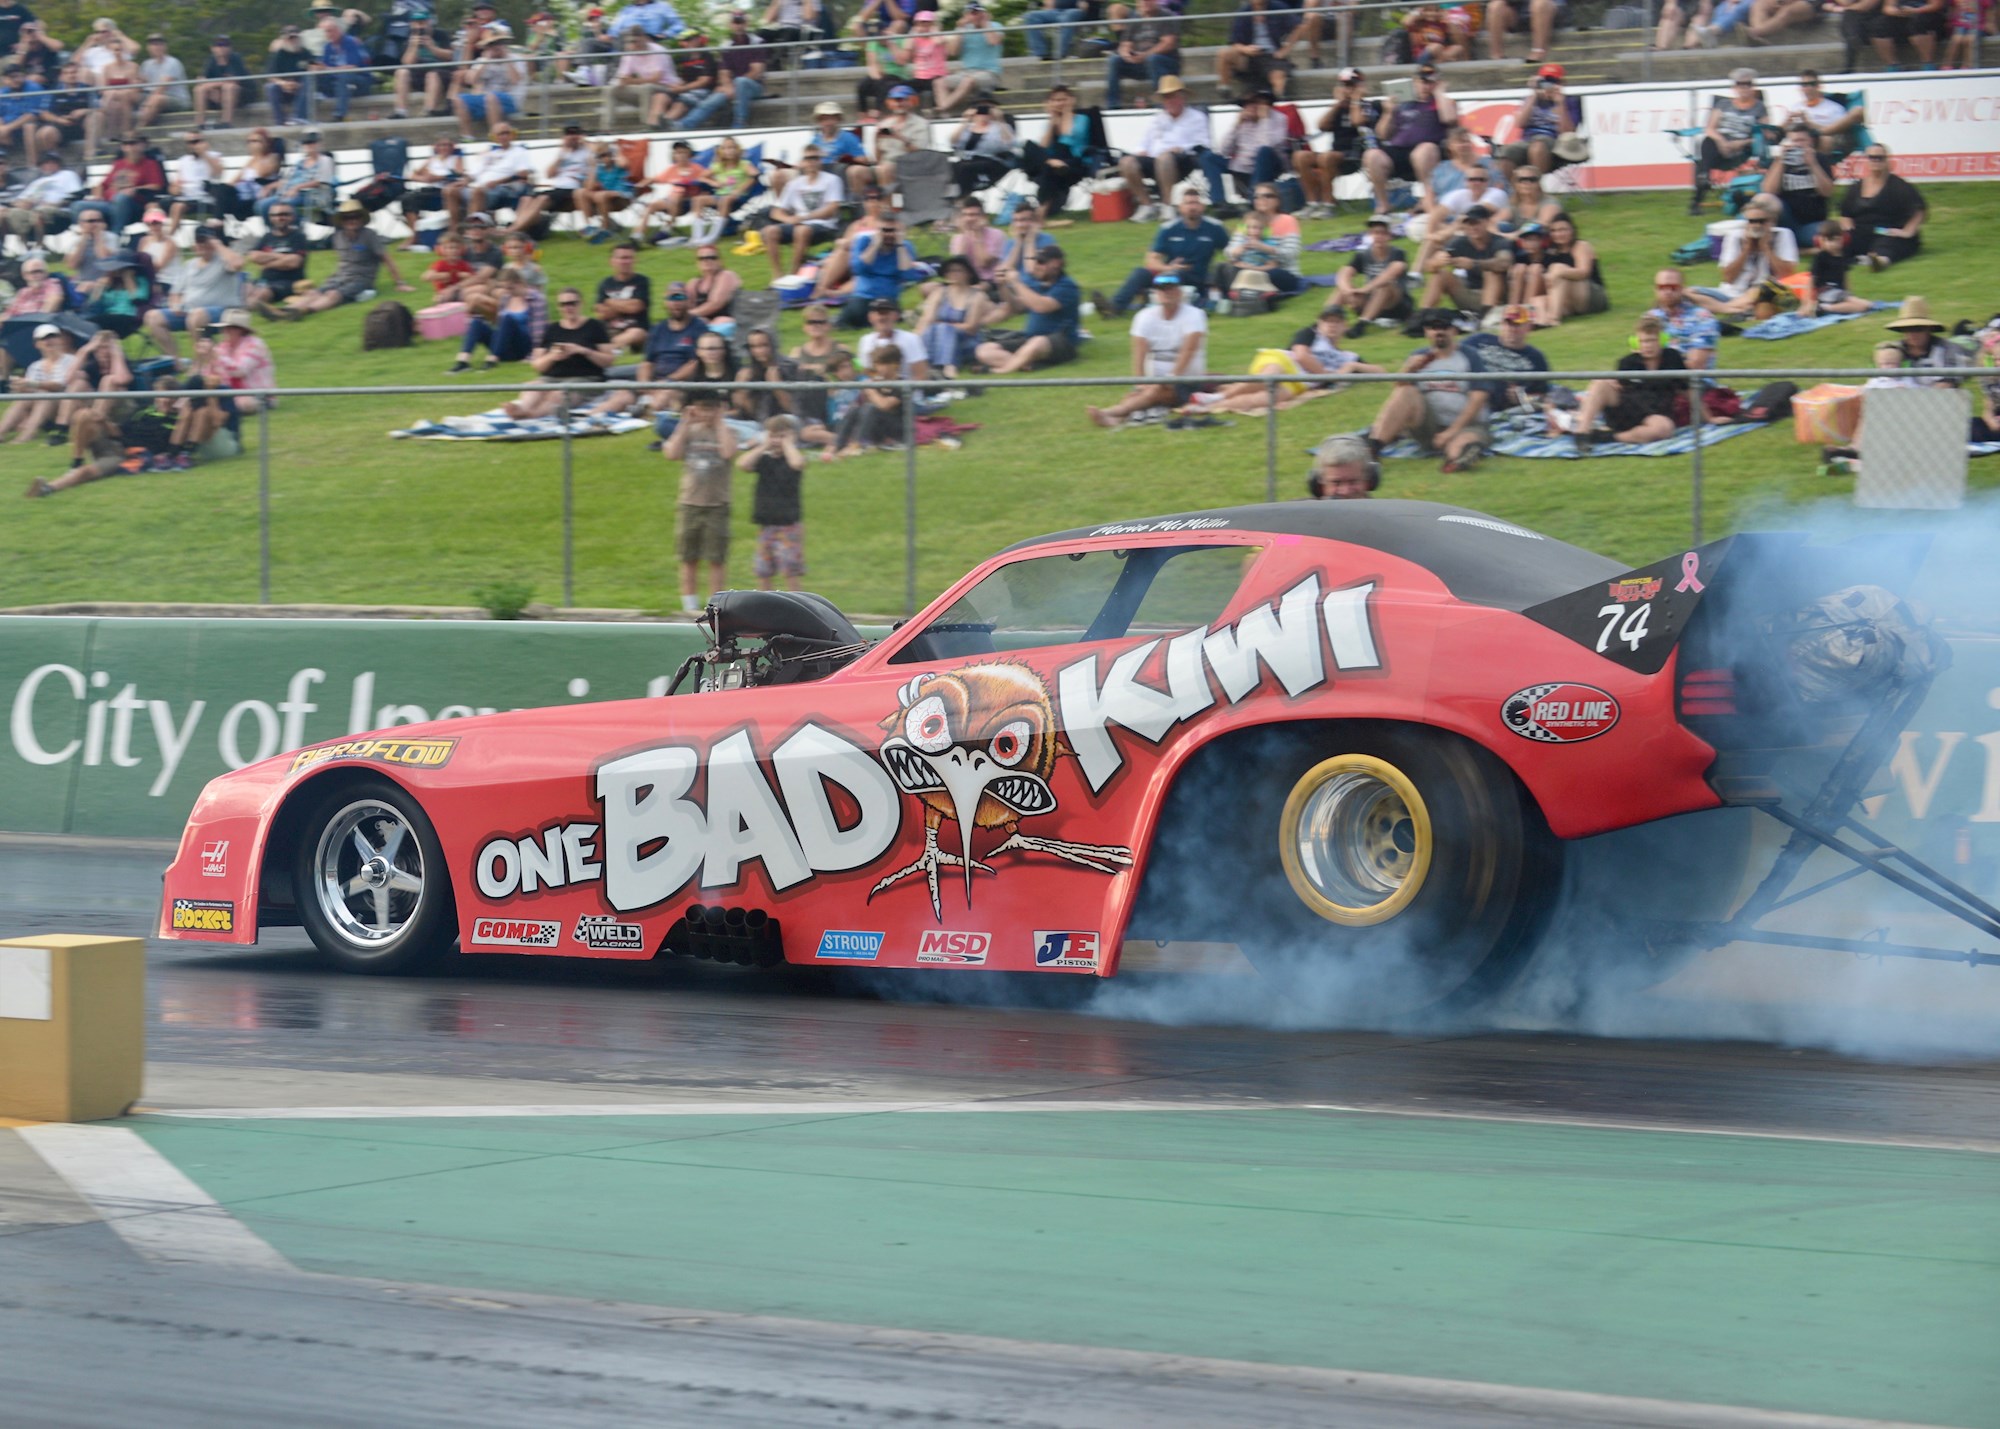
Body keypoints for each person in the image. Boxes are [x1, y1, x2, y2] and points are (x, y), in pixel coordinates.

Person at [1195, 304, 1381, 418]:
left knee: (1267, 399)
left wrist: (1354, 365)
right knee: (1270, 377)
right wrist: (1329, 376)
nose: (1332, 325)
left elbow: (1382, 373)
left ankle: (1211, 407)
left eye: (1337, 321)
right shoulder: (1310, 334)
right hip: (1283, 362)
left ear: (1345, 326)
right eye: (1327, 321)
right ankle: (1218, 396)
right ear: (1319, 324)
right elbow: (1300, 355)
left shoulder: (1347, 357)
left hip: (1301, 381)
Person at [1366, 308, 1489, 473]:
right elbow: (1398, 394)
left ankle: (1457, 459)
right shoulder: (1419, 356)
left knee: (1464, 440)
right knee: (1406, 391)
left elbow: (1478, 398)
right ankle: (1373, 449)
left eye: (1443, 327)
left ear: (1453, 330)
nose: (1438, 332)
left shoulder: (1470, 356)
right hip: (1429, 425)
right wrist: (1408, 369)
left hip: (1465, 424)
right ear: (1426, 331)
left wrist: (1451, 431)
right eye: (1432, 327)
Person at [1089, 273, 1207, 430]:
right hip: (1153, 379)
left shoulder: (1194, 315)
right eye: (1162, 290)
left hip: (1185, 381)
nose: (1166, 293)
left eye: (1170, 289)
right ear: (1156, 294)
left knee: (1155, 390)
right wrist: (1140, 381)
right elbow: (1139, 353)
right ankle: (1116, 417)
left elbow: (1189, 350)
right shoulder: (1144, 317)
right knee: (1143, 393)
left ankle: (1112, 412)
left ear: (1179, 292)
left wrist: (1171, 378)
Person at [1095, 189, 1230, 318]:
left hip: (1199, 276)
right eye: (1188, 203)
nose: (1192, 207)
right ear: (1180, 207)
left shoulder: (1215, 228)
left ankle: (1162, 305)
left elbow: (1230, 250)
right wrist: (1169, 268)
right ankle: (1114, 309)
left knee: (1173, 276)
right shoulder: (1168, 228)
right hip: (1170, 273)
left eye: (1196, 203)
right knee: (1140, 273)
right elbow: (1151, 260)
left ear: (1203, 206)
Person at [1569, 315, 1687, 451]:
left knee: (1663, 429)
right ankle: (1582, 433)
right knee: (1600, 383)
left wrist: (1707, 418)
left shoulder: (1673, 358)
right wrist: (1605, 384)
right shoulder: (1627, 362)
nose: (1646, 346)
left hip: (1656, 412)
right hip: (1627, 409)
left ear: (1661, 340)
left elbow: (1687, 388)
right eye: (1642, 341)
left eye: (1651, 341)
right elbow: (1616, 386)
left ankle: (1609, 437)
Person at [666, 391, 738, 612]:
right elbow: (671, 453)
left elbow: (728, 453)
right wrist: (684, 423)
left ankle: (714, 607)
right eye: (702, 409)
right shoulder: (689, 432)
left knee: (716, 558)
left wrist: (719, 423)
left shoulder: (727, 432)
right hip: (690, 503)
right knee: (689, 557)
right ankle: (689, 607)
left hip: (717, 504)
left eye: (711, 409)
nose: (707, 414)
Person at [281, 198, 413, 316]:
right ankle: (285, 311)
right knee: (314, 293)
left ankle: (305, 311)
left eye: (356, 217)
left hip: (361, 279)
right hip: (339, 277)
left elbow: (386, 259)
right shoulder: (337, 237)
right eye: (348, 218)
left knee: (333, 294)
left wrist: (400, 283)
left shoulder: (370, 235)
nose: (352, 220)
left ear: (362, 219)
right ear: (342, 221)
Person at [499, 288, 612, 415]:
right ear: (559, 307)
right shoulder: (552, 329)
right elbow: (537, 365)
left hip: (584, 378)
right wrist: (552, 356)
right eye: (563, 304)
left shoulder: (595, 326)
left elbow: (608, 360)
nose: (568, 308)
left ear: (581, 304)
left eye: (572, 303)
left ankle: (530, 415)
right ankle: (523, 409)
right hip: (552, 378)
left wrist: (583, 351)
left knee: (558, 394)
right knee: (532, 387)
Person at [142, 223, 245, 360]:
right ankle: (175, 361)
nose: (201, 245)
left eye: (205, 242)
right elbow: (175, 292)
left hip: (223, 312)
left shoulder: (223, 261)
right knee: (152, 317)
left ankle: (199, 363)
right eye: (198, 241)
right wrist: (175, 304)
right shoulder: (189, 265)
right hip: (189, 311)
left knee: (196, 316)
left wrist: (217, 244)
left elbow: (238, 263)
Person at [1117, 74, 1210, 225]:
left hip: (1182, 160)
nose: (1169, 101)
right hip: (1155, 159)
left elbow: (1204, 143)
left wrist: (1182, 148)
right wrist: (1141, 151)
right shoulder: (1158, 118)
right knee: (1126, 162)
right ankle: (1147, 205)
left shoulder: (1197, 117)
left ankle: (1167, 205)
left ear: (1182, 97)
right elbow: (1143, 142)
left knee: (1164, 158)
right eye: (1166, 98)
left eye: (1172, 96)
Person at [974, 245, 1080, 375]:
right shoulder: (1037, 285)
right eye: (1035, 261)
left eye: (1041, 262)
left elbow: (1041, 306)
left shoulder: (1067, 286)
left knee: (1037, 342)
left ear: (1056, 263)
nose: (1036, 265)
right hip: (1030, 339)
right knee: (984, 349)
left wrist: (1017, 283)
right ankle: (1026, 365)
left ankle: (1002, 370)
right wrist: (1002, 286)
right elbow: (1017, 307)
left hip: (1061, 343)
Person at [1366, 64, 1455, 218]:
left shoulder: (1441, 102)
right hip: (1399, 150)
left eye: (1431, 82)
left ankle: (1428, 200)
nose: (1426, 86)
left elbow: (1449, 119)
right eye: (1423, 82)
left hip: (1430, 151)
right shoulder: (1402, 103)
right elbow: (1382, 134)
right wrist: (1388, 113)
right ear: (1415, 82)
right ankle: (1383, 204)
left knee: (1424, 150)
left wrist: (1440, 92)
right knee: (1372, 155)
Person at [1294, 68, 1379, 220]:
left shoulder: (1369, 106)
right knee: (1300, 156)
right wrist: (1337, 104)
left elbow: (1357, 122)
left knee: (1326, 157)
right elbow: (1321, 126)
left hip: (1355, 155)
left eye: (1352, 85)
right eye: (1345, 86)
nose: (1348, 89)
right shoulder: (1339, 108)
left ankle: (1328, 205)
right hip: (1334, 154)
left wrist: (1355, 101)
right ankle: (1312, 203)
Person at [1691, 195, 1796, 319]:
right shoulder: (1735, 237)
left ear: (1771, 221)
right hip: (1731, 294)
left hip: (1763, 294)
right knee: (1687, 292)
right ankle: (1731, 309)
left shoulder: (1783, 235)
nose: (1756, 225)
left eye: (1761, 221)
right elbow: (1728, 278)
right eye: (1751, 221)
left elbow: (1787, 274)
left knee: (1759, 288)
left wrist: (1766, 248)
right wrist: (1746, 250)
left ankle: (1722, 308)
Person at [741, 414, 808, 591]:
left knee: (790, 570)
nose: (777, 440)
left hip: (788, 525)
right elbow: (743, 464)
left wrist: (788, 444)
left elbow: (797, 463)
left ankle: (797, 607)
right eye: (773, 435)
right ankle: (766, 608)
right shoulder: (764, 460)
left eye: (782, 436)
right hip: (767, 525)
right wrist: (763, 445)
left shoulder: (793, 458)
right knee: (763, 570)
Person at [761, 146, 844, 283]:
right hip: (798, 223)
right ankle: (777, 276)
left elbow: (832, 209)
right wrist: (788, 219)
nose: (811, 162)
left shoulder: (832, 180)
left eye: (815, 158)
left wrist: (805, 218)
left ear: (820, 161)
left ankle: (793, 275)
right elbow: (776, 211)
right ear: (802, 162)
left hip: (823, 225)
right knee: (770, 231)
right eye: (808, 158)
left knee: (802, 230)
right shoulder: (794, 184)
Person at [1201, 89, 1290, 214]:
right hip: (1242, 165)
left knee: (1263, 151)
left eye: (1256, 102)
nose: (1252, 106)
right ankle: (1219, 203)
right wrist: (1236, 124)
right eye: (1247, 103)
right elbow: (1223, 150)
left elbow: (1268, 145)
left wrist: (1264, 120)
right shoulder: (1243, 121)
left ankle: (1253, 200)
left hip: (1268, 165)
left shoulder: (1279, 119)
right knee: (1208, 157)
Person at [677, 9, 769, 131]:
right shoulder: (726, 45)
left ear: (747, 24)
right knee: (710, 101)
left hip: (754, 86)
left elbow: (756, 71)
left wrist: (733, 85)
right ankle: (684, 125)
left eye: (741, 22)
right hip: (734, 86)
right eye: (736, 22)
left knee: (741, 82)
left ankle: (740, 122)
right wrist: (727, 85)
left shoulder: (757, 42)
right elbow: (723, 72)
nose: (738, 25)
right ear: (730, 25)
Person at [1840, 145, 1925, 270]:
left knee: (1888, 243)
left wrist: (1907, 232)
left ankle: (1880, 262)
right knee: (1840, 241)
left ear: (1887, 160)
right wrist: (1848, 230)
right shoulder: (1856, 187)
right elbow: (1845, 214)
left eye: (1879, 158)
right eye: (1872, 158)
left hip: (1886, 231)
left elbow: (1919, 210)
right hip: (1862, 231)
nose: (1875, 161)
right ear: (1866, 160)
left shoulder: (1899, 186)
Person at [1692, 68, 1765, 215]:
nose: (1744, 87)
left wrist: (1742, 143)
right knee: (1708, 141)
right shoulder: (1723, 104)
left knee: (1701, 164)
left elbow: (1764, 133)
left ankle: (1701, 186)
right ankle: (1705, 175)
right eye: (1740, 84)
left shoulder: (1759, 107)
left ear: (1753, 87)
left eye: (1748, 84)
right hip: (1719, 145)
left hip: (1742, 150)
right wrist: (1722, 142)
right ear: (1734, 87)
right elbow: (1710, 128)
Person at [1019, 84, 1095, 221]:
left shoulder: (1082, 119)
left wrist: (1067, 113)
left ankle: (1041, 210)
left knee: (1052, 162)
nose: (1060, 103)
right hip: (1053, 161)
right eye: (1056, 100)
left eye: (1063, 100)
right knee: (1029, 146)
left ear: (1071, 100)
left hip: (1073, 160)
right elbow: (1043, 146)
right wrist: (1052, 121)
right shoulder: (1052, 120)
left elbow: (1068, 137)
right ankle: (1050, 163)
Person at [1421, 204, 1514, 315]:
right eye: (1469, 224)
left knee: (1491, 272)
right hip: (1472, 294)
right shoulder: (1459, 242)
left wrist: (1474, 264)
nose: (1473, 228)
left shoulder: (1499, 242)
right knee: (1441, 274)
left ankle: (1487, 316)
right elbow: (1428, 267)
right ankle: (1423, 315)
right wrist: (1436, 262)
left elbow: (1504, 263)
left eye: (1477, 223)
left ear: (1487, 222)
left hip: (1498, 298)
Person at [1214, 183, 1301, 298]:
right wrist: (1239, 251)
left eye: (1268, 196)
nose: (1261, 199)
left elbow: (1291, 254)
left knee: (1271, 275)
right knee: (1221, 268)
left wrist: (1265, 249)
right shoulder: (1247, 221)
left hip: (1277, 270)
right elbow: (1229, 251)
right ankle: (1221, 296)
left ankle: (1240, 292)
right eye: (1257, 197)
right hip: (1247, 267)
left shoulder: (1287, 221)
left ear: (1278, 200)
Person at [1459, 305, 1550, 414]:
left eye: (1517, 325)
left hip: (1501, 408)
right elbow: (1453, 355)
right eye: (1508, 323)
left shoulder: (1536, 358)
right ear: (1502, 324)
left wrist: (1522, 398)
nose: (1512, 329)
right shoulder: (1479, 340)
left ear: (1528, 327)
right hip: (1468, 394)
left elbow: (1542, 398)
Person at [1498, 65, 1580, 183]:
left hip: (1555, 142)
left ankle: (1536, 189)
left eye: (1554, 81)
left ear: (1562, 83)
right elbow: (1519, 123)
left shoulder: (1570, 101)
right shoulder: (1529, 99)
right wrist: (1534, 95)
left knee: (1538, 147)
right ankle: (1511, 193)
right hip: (1527, 140)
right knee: (1507, 153)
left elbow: (1567, 132)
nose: (1549, 85)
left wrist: (1560, 103)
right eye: (1546, 81)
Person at [0, 323, 79, 445]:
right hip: (44, 408)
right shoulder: (35, 366)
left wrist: (30, 383)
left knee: (45, 397)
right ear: (37, 344)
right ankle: (1, 432)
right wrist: (21, 387)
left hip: (65, 407)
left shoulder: (71, 360)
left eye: (53, 336)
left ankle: (27, 435)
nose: (49, 341)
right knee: (23, 399)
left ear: (60, 340)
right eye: (44, 338)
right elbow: (32, 390)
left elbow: (59, 386)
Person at [1763, 117, 1834, 249]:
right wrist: (1780, 162)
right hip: (1786, 218)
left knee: (1831, 238)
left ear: (1810, 141)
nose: (1798, 144)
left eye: (1802, 140)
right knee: (1762, 200)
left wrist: (1812, 164)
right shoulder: (1780, 161)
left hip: (1811, 222)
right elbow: (1769, 191)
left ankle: (1793, 246)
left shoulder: (1820, 159)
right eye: (1794, 140)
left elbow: (1827, 192)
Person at [512, 124, 593, 237]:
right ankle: (518, 228)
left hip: (572, 189)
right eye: (569, 134)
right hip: (557, 188)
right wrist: (560, 156)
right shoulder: (563, 152)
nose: (572, 137)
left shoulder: (587, 151)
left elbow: (597, 154)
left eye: (575, 134)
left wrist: (584, 142)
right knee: (526, 199)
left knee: (542, 198)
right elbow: (549, 174)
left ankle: (514, 231)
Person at [917, 256, 992, 378]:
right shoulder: (939, 293)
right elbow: (927, 319)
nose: (953, 274)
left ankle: (947, 367)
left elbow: (971, 327)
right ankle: (929, 365)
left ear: (968, 273)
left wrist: (944, 326)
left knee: (944, 329)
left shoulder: (978, 296)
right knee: (930, 330)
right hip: (937, 337)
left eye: (958, 270)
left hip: (967, 341)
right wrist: (916, 337)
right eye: (950, 271)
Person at [788, 305, 853, 445]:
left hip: (835, 401)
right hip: (807, 404)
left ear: (828, 325)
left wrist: (822, 371)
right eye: (811, 322)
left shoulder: (842, 349)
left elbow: (856, 373)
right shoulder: (796, 353)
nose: (815, 326)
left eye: (820, 322)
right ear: (804, 327)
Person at [829, 345, 908, 459]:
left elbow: (884, 405)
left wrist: (870, 391)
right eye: (877, 364)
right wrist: (864, 395)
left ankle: (857, 445)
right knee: (855, 409)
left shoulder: (902, 384)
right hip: (878, 428)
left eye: (883, 364)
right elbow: (858, 406)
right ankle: (837, 445)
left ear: (895, 364)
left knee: (870, 408)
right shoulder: (876, 382)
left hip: (898, 429)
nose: (879, 368)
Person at [1334, 216, 1412, 327]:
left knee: (1384, 286)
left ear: (1389, 236)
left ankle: (1362, 324)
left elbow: (1392, 272)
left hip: (1396, 305)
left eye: (1382, 233)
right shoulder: (1363, 254)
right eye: (1375, 233)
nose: (1379, 237)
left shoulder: (1398, 253)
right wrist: (1347, 290)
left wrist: (1366, 289)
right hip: (1371, 301)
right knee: (1341, 290)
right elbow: (1344, 272)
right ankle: (1326, 319)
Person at [1104, 0, 1182, 109]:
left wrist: (1146, 55)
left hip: (1165, 63)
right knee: (1114, 60)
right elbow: (1125, 44)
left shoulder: (1165, 16)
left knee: (1153, 59)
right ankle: (1113, 106)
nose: (1145, 3)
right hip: (1140, 62)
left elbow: (1169, 43)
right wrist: (1127, 55)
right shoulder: (1135, 19)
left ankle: (1161, 104)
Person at [1216, 0, 1299, 101]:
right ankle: (1224, 88)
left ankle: (1277, 101)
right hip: (1249, 56)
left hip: (1272, 55)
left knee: (1278, 75)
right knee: (1224, 53)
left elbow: (1299, 26)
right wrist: (1245, 49)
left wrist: (1286, 49)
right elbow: (1234, 43)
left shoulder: (1278, 7)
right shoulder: (1243, 12)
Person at [1533, 212, 1605, 326]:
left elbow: (1584, 272)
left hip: (1590, 294)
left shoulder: (1580, 245)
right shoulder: (1551, 252)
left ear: (1572, 230)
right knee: (1538, 300)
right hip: (1568, 298)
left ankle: (1553, 318)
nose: (1558, 234)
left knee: (1558, 268)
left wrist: (1559, 272)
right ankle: (1541, 322)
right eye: (1554, 231)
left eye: (1563, 230)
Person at [639, 138, 712, 245]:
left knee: (678, 193)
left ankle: (668, 227)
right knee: (650, 206)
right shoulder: (672, 169)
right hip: (670, 202)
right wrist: (644, 182)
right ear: (674, 155)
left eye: (683, 152)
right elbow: (656, 179)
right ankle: (638, 236)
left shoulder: (697, 169)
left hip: (687, 202)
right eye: (677, 153)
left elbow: (708, 179)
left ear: (689, 154)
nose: (681, 155)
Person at [1883, 297, 1969, 386]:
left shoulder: (1948, 349)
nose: (1913, 334)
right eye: (1907, 329)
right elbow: (1880, 381)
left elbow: (1946, 384)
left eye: (1918, 329)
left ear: (1929, 329)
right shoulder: (1894, 351)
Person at [937, 1, 1004, 113]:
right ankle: (944, 107)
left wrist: (984, 23)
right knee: (939, 82)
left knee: (968, 81)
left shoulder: (995, 26)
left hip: (990, 72)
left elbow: (993, 41)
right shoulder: (964, 29)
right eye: (972, 13)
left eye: (977, 12)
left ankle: (943, 108)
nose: (975, 15)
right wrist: (959, 29)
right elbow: (952, 51)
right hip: (967, 72)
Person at [2, 151, 78, 248]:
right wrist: (23, 204)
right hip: (34, 209)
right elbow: (21, 199)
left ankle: (39, 247)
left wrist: (56, 204)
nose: (48, 165)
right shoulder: (37, 181)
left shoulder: (68, 175)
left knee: (38, 212)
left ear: (58, 164)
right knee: (15, 213)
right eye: (45, 163)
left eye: (52, 162)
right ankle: (26, 250)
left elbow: (76, 195)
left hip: (59, 211)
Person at [1648, 269, 1719, 371]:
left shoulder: (1702, 318)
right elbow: (1639, 356)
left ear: (1682, 289)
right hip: (1654, 381)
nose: (1668, 292)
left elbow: (1696, 364)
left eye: (1673, 287)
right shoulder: (1649, 317)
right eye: (1662, 287)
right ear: (1655, 290)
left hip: (1693, 383)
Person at [246, 204, 310, 316]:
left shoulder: (298, 237)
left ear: (292, 217)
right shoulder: (267, 237)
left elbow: (294, 262)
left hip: (288, 282)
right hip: (264, 280)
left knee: (260, 295)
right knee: (243, 288)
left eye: (284, 215)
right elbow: (254, 256)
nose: (279, 218)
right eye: (274, 215)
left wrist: (267, 263)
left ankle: (245, 311)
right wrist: (282, 256)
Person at [466, 125, 538, 222]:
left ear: (512, 135)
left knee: (478, 192)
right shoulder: (490, 153)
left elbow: (522, 175)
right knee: (451, 190)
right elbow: (474, 173)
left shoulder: (519, 151)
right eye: (500, 134)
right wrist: (464, 181)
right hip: (481, 188)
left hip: (505, 188)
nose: (503, 136)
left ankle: (472, 227)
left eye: (506, 133)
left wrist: (497, 182)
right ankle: (454, 229)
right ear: (494, 137)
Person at [1800, 221, 1872, 317]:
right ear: (1821, 241)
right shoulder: (1821, 257)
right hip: (1826, 292)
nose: (1833, 244)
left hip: (1840, 293)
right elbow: (1811, 280)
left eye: (1836, 240)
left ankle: (1823, 308)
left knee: (1865, 306)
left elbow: (1845, 276)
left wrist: (1849, 293)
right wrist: (1807, 301)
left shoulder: (1843, 256)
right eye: (1829, 240)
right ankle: (1824, 307)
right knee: (1864, 306)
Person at [948, 103, 1017, 203]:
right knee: (952, 167)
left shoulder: (1000, 127)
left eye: (986, 112)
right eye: (979, 112)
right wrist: (965, 121)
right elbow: (953, 141)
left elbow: (1010, 143)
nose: (982, 115)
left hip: (993, 160)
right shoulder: (968, 128)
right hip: (969, 160)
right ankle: (954, 197)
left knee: (964, 168)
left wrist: (999, 120)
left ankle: (961, 198)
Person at [869, 83, 932, 192]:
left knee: (885, 169)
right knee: (856, 172)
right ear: (890, 103)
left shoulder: (921, 124)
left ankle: (886, 207)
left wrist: (900, 137)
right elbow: (877, 159)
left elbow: (922, 154)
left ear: (912, 101)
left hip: (910, 165)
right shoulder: (884, 124)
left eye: (903, 99)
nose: (899, 103)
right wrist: (876, 139)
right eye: (896, 100)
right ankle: (860, 206)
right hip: (885, 165)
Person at [313, 17, 376, 123]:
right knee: (311, 77)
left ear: (338, 29)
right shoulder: (327, 47)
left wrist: (327, 68)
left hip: (360, 80)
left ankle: (339, 115)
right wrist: (317, 68)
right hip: (339, 83)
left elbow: (352, 67)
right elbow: (325, 68)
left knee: (343, 76)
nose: (327, 34)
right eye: (325, 32)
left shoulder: (351, 42)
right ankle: (306, 116)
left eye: (330, 31)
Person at [260, 131, 335, 220]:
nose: (309, 146)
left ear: (319, 144)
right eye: (306, 143)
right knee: (262, 205)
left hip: (310, 195)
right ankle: (274, 230)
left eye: (312, 143)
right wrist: (268, 187)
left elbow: (320, 181)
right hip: (288, 193)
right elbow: (287, 180)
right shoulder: (299, 163)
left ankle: (292, 227)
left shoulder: (325, 160)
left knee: (283, 206)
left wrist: (297, 188)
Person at [392, 13, 454, 119]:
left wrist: (432, 47)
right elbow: (407, 62)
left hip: (439, 70)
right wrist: (413, 46)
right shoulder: (407, 36)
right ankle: (401, 111)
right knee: (401, 72)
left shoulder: (440, 34)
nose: (420, 26)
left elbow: (450, 56)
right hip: (418, 71)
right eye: (416, 22)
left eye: (423, 22)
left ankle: (428, 111)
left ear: (429, 22)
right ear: (411, 24)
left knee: (432, 75)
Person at [595, 239, 653, 351]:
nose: (625, 262)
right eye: (621, 258)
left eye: (629, 258)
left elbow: (636, 307)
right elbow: (602, 313)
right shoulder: (605, 283)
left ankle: (609, 348)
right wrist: (626, 306)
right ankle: (612, 347)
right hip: (610, 329)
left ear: (635, 260)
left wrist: (610, 302)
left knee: (636, 333)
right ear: (612, 261)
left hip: (636, 329)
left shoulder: (642, 281)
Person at [854, 296, 930, 382]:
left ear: (896, 316)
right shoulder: (865, 340)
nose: (883, 317)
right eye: (879, 313)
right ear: (870, 317)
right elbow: (866, 373)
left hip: (906, 390)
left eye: (886, 312)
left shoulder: (910, 339)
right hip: (877, 390)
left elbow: (921, 375)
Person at [733, 327, 795, 424]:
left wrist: (777, 386)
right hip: (755, 424)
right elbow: (749, 411)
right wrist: (742, 388)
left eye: (763, 345)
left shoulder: (790, 367)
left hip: (786, 422)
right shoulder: (748, 371)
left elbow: (795, 409)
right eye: (753, 347)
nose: (759, 351)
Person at [133, 33, 190, 131]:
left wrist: (145, 105)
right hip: (152, 96)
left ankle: (138, 130)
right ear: (148, 47)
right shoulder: (146, 64)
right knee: (128, 94)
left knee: (157, 99)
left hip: (176, 99)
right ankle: (121, 130)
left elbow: (162, 88)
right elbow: (141, 86)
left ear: (165, 46)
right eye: (153, 44)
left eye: (159, 44)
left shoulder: (172, 63)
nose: (156, 47)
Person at [265, 25, 314, 126]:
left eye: (295, 37)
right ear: (284, 39)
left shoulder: (306, 53)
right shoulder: (278, 54)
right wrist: (283, 83)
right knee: (270, 87)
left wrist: (299, 84)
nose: (293, 40)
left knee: (308, 81)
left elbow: (314, 67)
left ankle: (298, 117)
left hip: (301, 88)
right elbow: (270, 75)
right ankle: (279, 121)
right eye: (290, 37)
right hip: (283, 89)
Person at [1486, 0, 1560, 63]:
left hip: (1549, 9)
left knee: (1540, 3)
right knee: (1495, 6)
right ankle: (1496, 55)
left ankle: (1538, 51)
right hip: (1518, 11)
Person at [1306, 435, 1378, 499]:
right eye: (1336, 483)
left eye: (1353, 482)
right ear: (1320, 485)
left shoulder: (1382, 512)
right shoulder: (1300, 512)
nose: (1345, 491)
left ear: (1368, 481)